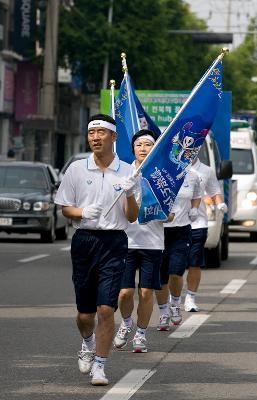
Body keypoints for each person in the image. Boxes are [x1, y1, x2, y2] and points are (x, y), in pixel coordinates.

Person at [55, 114, 139, 386]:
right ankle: (87, 342)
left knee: (106, 309)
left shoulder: (128, 172)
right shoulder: (77, 169)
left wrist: (128, 194)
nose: (95, 137)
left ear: (113, 137)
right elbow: (65, 207)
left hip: (114, 242)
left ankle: (100, 365)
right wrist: (81, 211)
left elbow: (133, 216)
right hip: (84, 241)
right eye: (92, 133)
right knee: (85, 313)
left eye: (101, 132)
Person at [114, 129, 173, 353]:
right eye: (139, 145)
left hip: (152, 244)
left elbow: (170, 215)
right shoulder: (123, 175)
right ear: (133, 149)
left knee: (146, 293)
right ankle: (126, 322)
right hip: (126, 242)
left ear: (154, 149)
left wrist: (156, 211)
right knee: (125, 293)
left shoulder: (162, 177)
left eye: (147, 145)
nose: (143, 149)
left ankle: (141, 333)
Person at [155, 168, 202, 331]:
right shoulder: (157, 172)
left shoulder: (193, 175)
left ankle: (175, 303)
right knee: (160, 275)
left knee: (176, 271)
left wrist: (195, 208)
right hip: (158, 229)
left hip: (181, 230)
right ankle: (162, 312)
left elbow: (196, 196)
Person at [184, 157, 227, 312]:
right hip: (175, 223)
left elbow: (214, 191)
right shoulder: (172, 167)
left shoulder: (206, 170)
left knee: (194, 263)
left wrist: (220, 203)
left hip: (198, 222)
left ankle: (190, 297)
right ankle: (172, 298)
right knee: (173, 265)